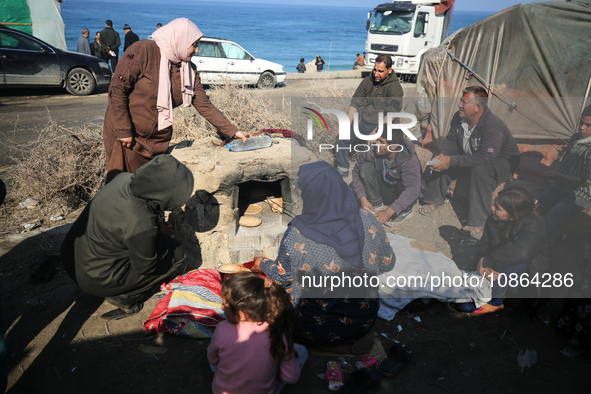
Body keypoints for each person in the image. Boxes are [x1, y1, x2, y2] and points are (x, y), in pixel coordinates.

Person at [253, 161, 395, 355]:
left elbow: (282, 276)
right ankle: (350, 344)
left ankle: (310, 343)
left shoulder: (297, 232)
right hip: (362, 323)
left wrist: (262, 263)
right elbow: (388, 263)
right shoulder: (369, 220)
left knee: (277, 291)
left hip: (311, 329)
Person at [102, 18, 251, 183]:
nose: (196, 50)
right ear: (180, 40)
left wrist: (233, 131)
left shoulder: (188, 70)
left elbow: (204, 105)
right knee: (122, 189)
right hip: (127, 138)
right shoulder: (143, 50)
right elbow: (117, 89)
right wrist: (124, 130)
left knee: (149, 191)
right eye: (194, 44)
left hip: (156, 143)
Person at [61, 155, 194, 320]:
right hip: (94, 278)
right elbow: (145, 267)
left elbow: (125, 223)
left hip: (72, 258)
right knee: (177, 253)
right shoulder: (141, 223)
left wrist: (156, 230)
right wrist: (156, 235)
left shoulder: (123, 178)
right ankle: (126, 299)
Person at [419, 85, 521, 237]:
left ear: (477, 107)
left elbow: (485, 157)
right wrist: (444, 156)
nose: (459, 105)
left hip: (499, 162)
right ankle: (435, 199)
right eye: (461, 101)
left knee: (480, 170)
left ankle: (478, 221)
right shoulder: (459, 118)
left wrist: (451, 160)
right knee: (440, 160)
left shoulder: (493, 126)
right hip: (473, 154)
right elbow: (451, 142)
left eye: (464, 102)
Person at [208, 272, 306, 394]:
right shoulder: (277, 334)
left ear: (242, 314)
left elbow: (213, 360)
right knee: (301, 351)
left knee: (217, 354)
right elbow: (290, 378)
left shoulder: (221, 329)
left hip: (222, 390)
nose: (222, 308)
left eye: (224, 304)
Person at [455, 187, 548, 314]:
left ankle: (496, 301)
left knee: (516, 259)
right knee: (462, 305)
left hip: (521, 281)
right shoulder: (494, 218)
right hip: (495, 270)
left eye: (498, 208)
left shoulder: (535, 224)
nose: (492, 208)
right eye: (494, 204)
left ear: (512, 216)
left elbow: (521, 252)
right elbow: (485, 245)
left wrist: (487, 261)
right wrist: (478, 268)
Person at [334, 54, 403, 177]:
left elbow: (392, 113)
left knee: (375, 149)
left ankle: (375, 173)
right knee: (341, 136)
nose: (376, 74)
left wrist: (377, 132)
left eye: (380, 71)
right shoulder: (367, 81)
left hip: (384, 127)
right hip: (364, 124)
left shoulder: (395, 87)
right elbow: (355, 104)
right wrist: (345, 125)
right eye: (375, 70)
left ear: (389, 70)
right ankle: (342, 168)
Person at [535, 104, 591, 244]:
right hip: (560, 185)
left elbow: (584, 180)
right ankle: (527, 239)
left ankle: (543, 252)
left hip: (580, 193)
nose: (582, 127)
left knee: (555, 214)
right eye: (581, 123)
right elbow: (566, 163)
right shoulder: (576, 137)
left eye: (588, 125)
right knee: (534, 202)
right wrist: (555, 176)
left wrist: (557, 176)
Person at [352, 129, 425, 224]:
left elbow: (413, 189)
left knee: (410, 189)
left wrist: (389, 211)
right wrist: (362, 198)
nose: (376, 144)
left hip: (399, 192)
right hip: (385, 185)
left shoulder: (409, 160)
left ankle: (405, 210)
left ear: (393, 147)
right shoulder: (373, 149)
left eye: (381, 142)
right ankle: (376, 203)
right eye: (377, 140)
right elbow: (356, 171)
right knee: (365, 168)